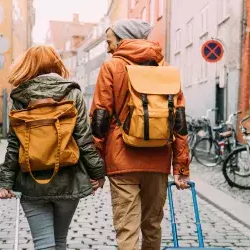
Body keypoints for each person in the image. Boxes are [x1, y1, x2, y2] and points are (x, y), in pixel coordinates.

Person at [90, 19, 191, 250]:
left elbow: (99, 119)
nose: (108, 48)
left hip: (121, 159)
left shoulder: (111, 67)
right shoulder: (166, 68)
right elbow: (180, 123)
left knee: (127, 229)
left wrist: (96, 168)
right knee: (153, 226)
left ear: (123, 39)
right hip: (158, 160)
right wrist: (182, 168)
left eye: (110, 41)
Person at [0, 45, 107, 250]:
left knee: (43, 244)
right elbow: (83, 139)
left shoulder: (21, 96)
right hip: (68, 179)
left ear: (29, 65)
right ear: (56, 64)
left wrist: (5, 182)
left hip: (31, 180)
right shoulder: (72, 93)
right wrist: (98, 174)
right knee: (59, 241)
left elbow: (14, 143)